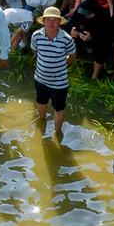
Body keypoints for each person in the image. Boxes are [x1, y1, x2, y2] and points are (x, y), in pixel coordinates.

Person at [31, 7, 78, 137]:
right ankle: (41, 125)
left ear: (59, 22)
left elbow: (72, 56)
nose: (51, 23)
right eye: (48, 20)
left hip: (59, 82)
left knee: (59, 109)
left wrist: (61, 65)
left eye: (54, 21)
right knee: (41, 102)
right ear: (43, 22)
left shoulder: (67, 39)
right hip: (40, 79)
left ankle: (57, 133)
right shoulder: (36, 36)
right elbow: (36, 52)